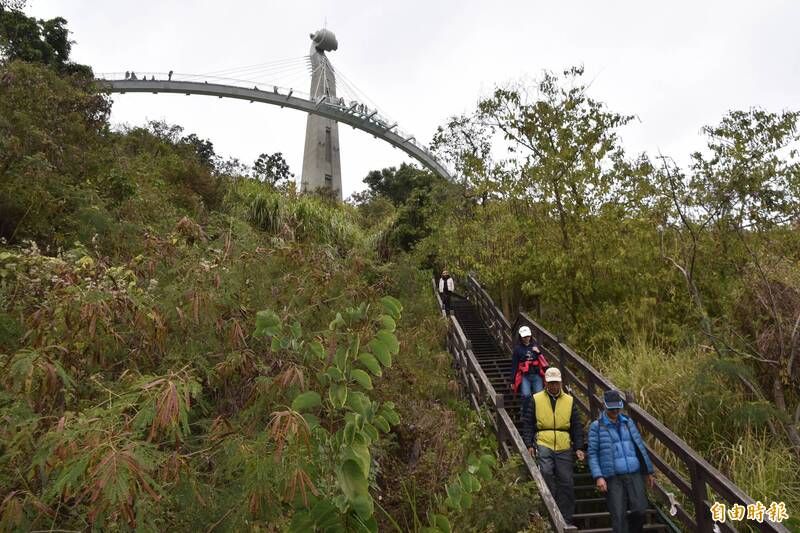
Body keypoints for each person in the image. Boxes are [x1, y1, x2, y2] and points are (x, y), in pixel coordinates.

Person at [588, 390, 655, 533]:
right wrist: (599, 477)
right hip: (613, 476)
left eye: (617, 407)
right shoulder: (597, 426)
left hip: (634, 472)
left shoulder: (628, 422)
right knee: (618, 514)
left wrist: (648, 471)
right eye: (612, 408)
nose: (615, 411)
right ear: (605, 406)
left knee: (640, 509)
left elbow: (639, 447)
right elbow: (592, 453)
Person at [524, 367, 584, 526]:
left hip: (564, 443)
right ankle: (550, 513)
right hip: (543, 440)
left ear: (561, 383)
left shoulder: (569, 401)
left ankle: (565, 519)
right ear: (545, 383)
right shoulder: (536, 399)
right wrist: (529, 444)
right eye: (551, 383)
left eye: (556, 383)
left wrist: (578, 447)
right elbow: (528, 423)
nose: (554, 386)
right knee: (546, 473)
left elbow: (576, 426)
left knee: (566, 481)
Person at [509, 325, 547, 399]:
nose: (527, 338)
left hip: (536, 374)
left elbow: (543, 361)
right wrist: (512, 381)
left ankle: (538, 410)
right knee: (525, 395)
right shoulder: (517, 349)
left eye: (528, 336)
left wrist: (538, 352)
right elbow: (514, 365)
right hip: (525, 375)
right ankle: (525, 410)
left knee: (539, 396)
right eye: (524, 336)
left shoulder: (535, 346)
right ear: (520, 337)